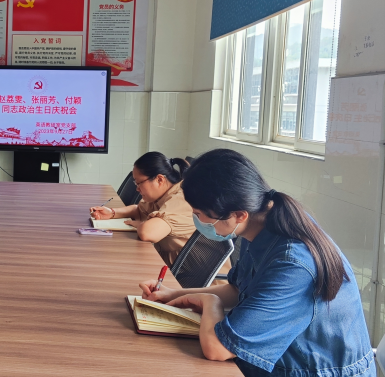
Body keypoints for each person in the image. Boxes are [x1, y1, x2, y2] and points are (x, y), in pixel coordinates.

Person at [139, 149, 375, 376]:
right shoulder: (261, 224)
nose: (196, 220)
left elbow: (218, 349)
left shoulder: (293, 264)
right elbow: (237, 289)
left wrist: (209, 301)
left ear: (239, 215)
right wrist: (172, 295)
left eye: (200, 214)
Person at [90, 152, 195, 267]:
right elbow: (139, 209)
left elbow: (147, 232)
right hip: (165, 263)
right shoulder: (161, 195)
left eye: (139, 183)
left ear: (160, 180)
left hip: (183, 271)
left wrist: (140, 224)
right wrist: (112, 213)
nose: (137, 189)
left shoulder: (181, 198)